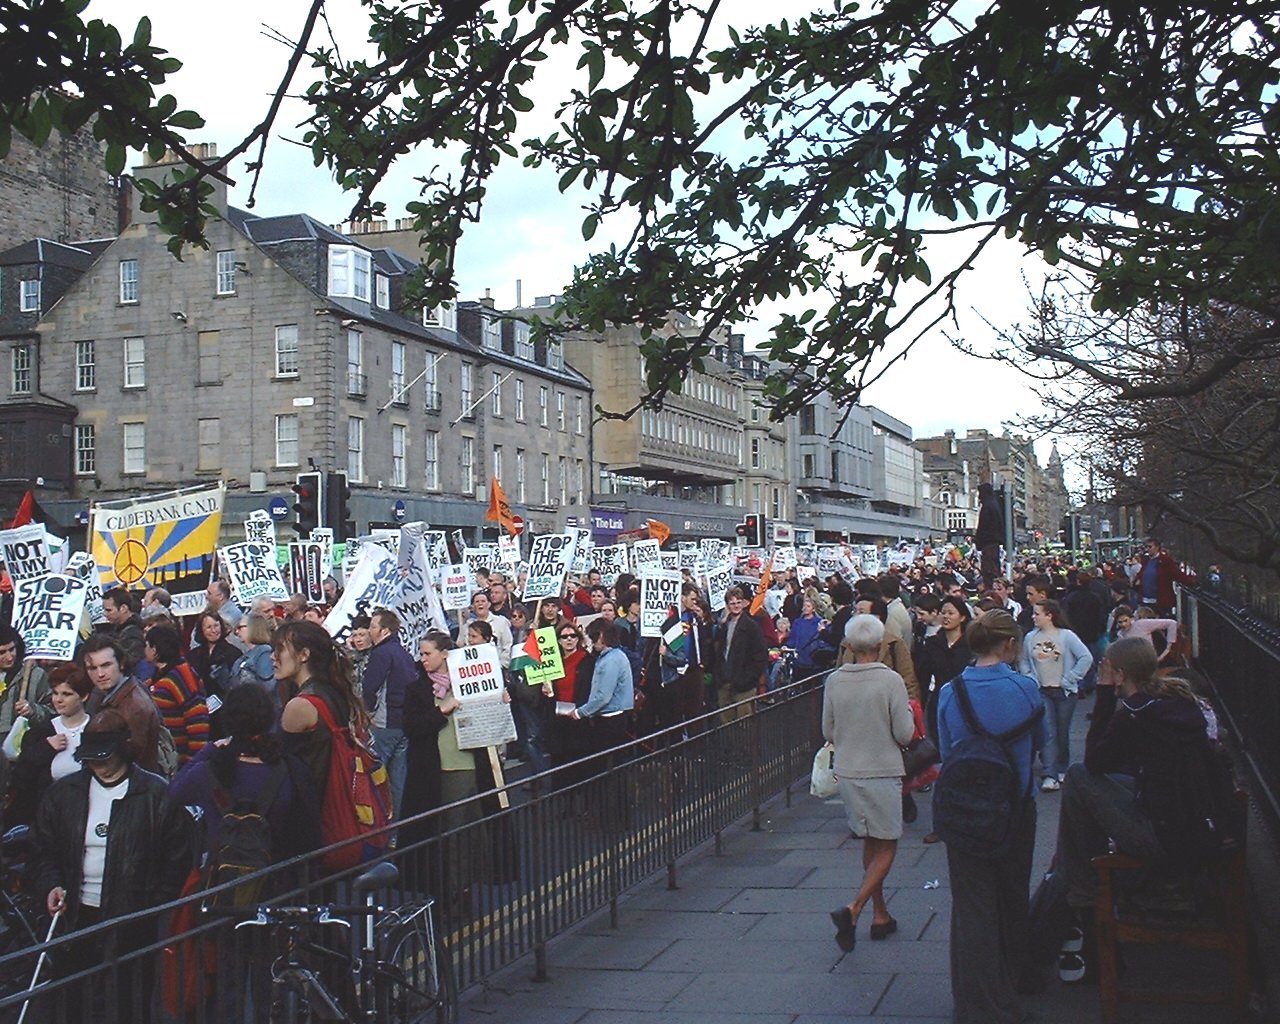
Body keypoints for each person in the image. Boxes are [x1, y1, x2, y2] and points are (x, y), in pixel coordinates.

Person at [1053, 636, 1236, 979]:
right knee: (1089, 796)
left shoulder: (1135, 715)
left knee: (1077, 779)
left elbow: (1095, 761)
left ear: (1119, 674)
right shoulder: (1176, 704)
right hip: (1199, 824)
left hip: (1165, 836)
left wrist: (1105, 694)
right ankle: (1081, 886)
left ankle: (1083, 898)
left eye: (1106, 668)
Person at [28, 709, 194, 1021]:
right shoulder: (64, 793)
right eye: (91, 758)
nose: (98, 765)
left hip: (133, 918)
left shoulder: (157, 795)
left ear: (123, 750)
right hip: (74, 914)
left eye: (105, 758)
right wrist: (50, 884)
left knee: (129, 1001)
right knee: (70, 1001)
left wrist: (151, 905)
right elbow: (42, 850)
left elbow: (177, 859)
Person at [937, 610, 1045, 1024]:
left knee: (973, 907)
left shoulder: (951, 691)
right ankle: (1014, 979)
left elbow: (947, 751)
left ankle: (979, 1001)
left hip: (965, 811)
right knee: (1012, 895)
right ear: (1009, 644)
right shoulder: (1026, 689)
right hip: (1015, 806)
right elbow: (1040, 744)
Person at [824, 615, 915, 952]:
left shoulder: (835, 681)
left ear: (848, 646)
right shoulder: (890, 681)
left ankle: (880, 914)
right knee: (887, 843)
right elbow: (904, 733)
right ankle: (855, 907)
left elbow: (827, 731)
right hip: (882, 769)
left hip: (848, 770)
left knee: (869, 842)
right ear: (879, 646)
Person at [168, 683, 319, 883]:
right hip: (275, 885)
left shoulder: (207, 772)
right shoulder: (290, 770)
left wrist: (210, 749)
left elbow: (173, 792)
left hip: (220, 887)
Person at [276, 621, 370, 799]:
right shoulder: (336, 690)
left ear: (304, 654)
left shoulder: (300, 706)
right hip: (341, 799)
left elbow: (282, 765)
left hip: (313, 807)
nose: (273, 657)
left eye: (280, 649)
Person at [1019, 599, 1092, 791]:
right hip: (1042, 690)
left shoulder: (1067, 636)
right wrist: (1030, 678)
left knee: (1062, 731)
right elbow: (1024, 661)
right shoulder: (1030, 638)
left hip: (1064, 691)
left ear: (1049, 615)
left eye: (1037, 614)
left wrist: (1070, 678)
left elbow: (1086, 657)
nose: (1034, 617)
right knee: (1048, 731)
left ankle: (1062, 766)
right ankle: (1049, 772)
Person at [10, 666, 93, 825]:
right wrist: (45, 748)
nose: (58, 700)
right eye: (55, 693)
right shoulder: (40, 732)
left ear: (84, 696)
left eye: (66, 694)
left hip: (87, 814)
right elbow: (21, 779)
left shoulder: (98, 728)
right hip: (49, 818)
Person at [361, 608, 417, 816]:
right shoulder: (403, 653)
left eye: (373, 626)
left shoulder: (381, 653)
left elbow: (370, 688)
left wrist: (367, 713)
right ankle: (395, 830)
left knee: (377, 778)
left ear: (385, 631)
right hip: (403, 722)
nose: (369, 631)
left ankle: (379, 827)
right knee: (398, 780)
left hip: (384, 723)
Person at [81, 634, 163, 774]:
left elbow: (135, 764)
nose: (100, 674)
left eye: (106, 665)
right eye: (92, 668)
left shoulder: (134, 707)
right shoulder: (110, 694)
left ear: (121, 663)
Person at [145, 624, 212, 768]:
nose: (144, 650)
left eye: (146, 645)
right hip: (165, 759)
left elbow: (197, 717)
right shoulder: (160, 676)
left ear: (155, 649)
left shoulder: (181, 676)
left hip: (179, 762)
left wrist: (193, 761)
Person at [917, 595, 974, 745]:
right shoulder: (932, 644)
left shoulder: (971, 646)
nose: (946, 617)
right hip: (939, 699)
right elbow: (923, 676)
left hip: (965, 700)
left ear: (962, 617)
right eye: (943, 613)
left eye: (951, 613)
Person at [714, 586, 769, 722]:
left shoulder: (751, 626)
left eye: (739, 602)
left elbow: (760, 655)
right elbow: (719, 652)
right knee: (726, 725)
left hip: (744, 685)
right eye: (732, 603)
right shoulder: (724, 625)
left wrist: (748, 679)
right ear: (727, 605)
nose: (736, 606)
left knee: (745, 726)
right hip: (725, 682)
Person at [0, 624, 52, 736]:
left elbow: (52, 711)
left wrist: (32, 710)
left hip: (22, 742)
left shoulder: (36, 675)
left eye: (11, 649)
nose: (9, 657)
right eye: (2, 652)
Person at [187, 609, 240, 717]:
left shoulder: (233, 652)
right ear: (201, 630)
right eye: (208, 627)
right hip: (199, 708)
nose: (213, 630)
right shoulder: (193, 655)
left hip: (225, 709)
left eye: (216, 626)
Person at [1135, 538, 1195, 617]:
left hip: (1161, 600)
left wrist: (1191, 582)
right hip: (1146, 600)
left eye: (1150, 547)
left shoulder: (1165, 560)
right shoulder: (1146, 561)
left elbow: (1176, 574)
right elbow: (1141, 574)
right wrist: (1137, 582)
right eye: (1146, 547)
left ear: (1157, 547)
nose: (1147, 549)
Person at [229, 611, 279, 706]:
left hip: (261, 712)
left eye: (240, 627)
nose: (236, 632)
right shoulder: (246, 655)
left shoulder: (264, 652)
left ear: (253, 628)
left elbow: (268, 687)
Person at [100, 586, 146, 670]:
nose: (105, 614)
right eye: (104, 610)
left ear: (123, 608)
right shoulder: (119, 629)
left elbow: (131, 664)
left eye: (109, 610)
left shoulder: (133, 634)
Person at [974, 482, 1005, 586]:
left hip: (989, 542)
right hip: (992, 542)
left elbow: (984, 526)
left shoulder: (988, 506)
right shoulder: (993, 504)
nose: (978, 496)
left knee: (989, 570)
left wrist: (978, 541)